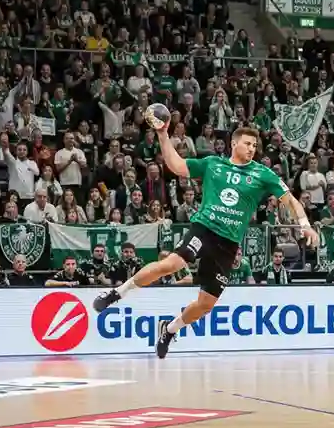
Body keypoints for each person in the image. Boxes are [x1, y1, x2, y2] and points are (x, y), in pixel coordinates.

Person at [93, 105, 318, 359]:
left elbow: (290, 200)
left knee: (205, 305)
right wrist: (163, 134)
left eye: (255, 145)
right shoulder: (213, 164)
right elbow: (176, 166)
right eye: (247, 143)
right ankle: (116, 293)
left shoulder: (263, 174)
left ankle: (169, 329)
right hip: (205, 228)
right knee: (172, 263)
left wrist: (304, 224)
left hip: (228, 243)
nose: (252, 148)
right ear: (234, 144)